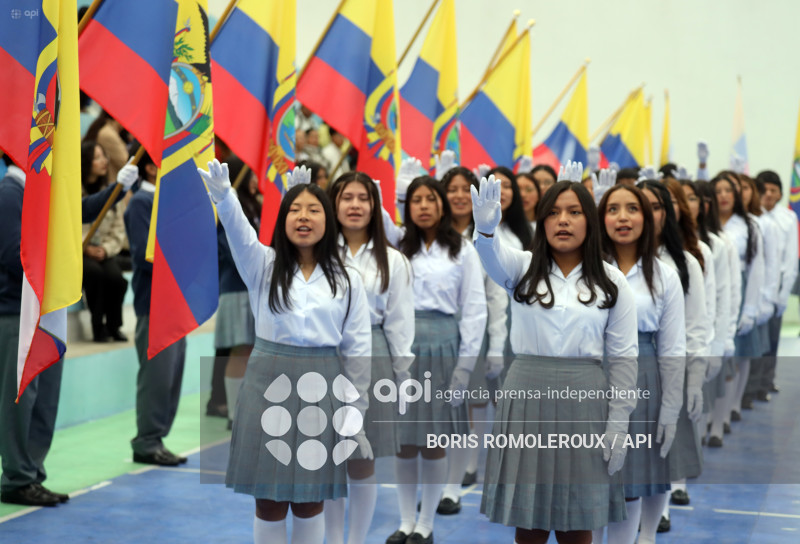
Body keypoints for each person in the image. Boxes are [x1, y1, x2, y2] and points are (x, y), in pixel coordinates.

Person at [197, 160, 372, 544]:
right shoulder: (262, 264)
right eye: (294, 209)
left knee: (310, 500)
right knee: (269, 499)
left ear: (328, 221)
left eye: (313, 209)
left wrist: (355, 411)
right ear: (283, 219)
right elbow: (239, 233)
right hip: (267, 384)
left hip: (323, 386)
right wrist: (225, 198)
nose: (303, 217)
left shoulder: (348, 279)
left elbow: (358, 350)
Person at [473, 162, 639, 544]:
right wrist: (485, 230)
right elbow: (492, 255)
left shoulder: (612, 281)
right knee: (528, 520)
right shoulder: (523, 267)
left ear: (590, 221)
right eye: (553, 212)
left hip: (585, 399)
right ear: (542, 222)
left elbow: (625, 357)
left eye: (574, 212)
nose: (563, 221)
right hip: (526, 395)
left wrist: (618, 423)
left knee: (577, 517)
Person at [0, 155, 137, 507]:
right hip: (20, 311)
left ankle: (31, 472)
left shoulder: (42, 191)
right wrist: (65, 261)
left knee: (44, 399)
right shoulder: (11, 192)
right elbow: (13, 256)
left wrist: (117, 187)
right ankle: (16, 476)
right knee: (21, 400)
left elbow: (82, 209)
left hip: (49, 311)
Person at [385, 175, 487, 544]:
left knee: (433, 439)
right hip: (402, 347)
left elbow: (475, 309)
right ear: (406, 206)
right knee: (402, 440)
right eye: (416, 200)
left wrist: (464, 366)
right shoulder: (398, 245)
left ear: (442, 205)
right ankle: (404, 520)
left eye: (431, 199)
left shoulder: (463, 248)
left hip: (443, 345)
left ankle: (426, 523)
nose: (424, 206)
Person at [324, 171, 414, 544]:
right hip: (324, 357)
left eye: (364, 198)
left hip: (373, 359)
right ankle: (330, 539)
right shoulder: (319, 254)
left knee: (362, 458)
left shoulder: (393, 260)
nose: (356, 205)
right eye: (347, 197)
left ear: (375, 207)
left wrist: (403, 375)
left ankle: (357, 540)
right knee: (325, 460)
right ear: (333, 205)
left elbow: (399, 323)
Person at [595, 183, 686, 544]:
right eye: (612, 209)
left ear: (647, 219)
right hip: (592, 375)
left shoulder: (664, 274)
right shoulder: (588, 268)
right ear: (600, 219)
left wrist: (670, 407)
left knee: (629, 481)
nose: (623, 217)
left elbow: (673, 346)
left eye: (632, 209)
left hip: (644, 376)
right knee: (590, 481)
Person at [439, 166, 508, 507]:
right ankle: (449, 468)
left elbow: (495, 296)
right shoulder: (433, 234)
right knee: (445, 403)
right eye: (449, 188)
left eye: (463, 189)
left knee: (475, 400)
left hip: (475, 329)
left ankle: (470, 462)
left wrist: (496, 344)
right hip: (440, 333)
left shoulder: (488, 233)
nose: (457, 196)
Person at [123, 149, 188, 468]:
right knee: (157, 378)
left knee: (171, 378)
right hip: (155, 303)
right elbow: (145, 256)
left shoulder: (167, 203)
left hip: (176, 304)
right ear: (150, 168)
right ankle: (146, 440)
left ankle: (156, 438)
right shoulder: (142, 203)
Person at [213, 157, 260, 429]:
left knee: (251, 350)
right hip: (236, 288)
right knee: (240, 351)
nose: (256, 181)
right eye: (251, 175)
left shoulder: (253, 206)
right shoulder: (227, 209)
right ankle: (234, 413)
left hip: (252, 288)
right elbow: (232, 250)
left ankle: (246, 408)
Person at [80, 141, 129, 342]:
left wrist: (106, 250)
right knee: (94, 274)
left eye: (104, 157)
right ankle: (97, 326)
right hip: (80, 252)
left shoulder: (111, 192)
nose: (103, 162)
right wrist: (86, 247)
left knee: (116, 279)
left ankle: (113, 326)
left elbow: (118, 228)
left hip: (104, 250)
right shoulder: (74, 189)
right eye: (97, 157)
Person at [755, 170, 798, 394]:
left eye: (773, 190)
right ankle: (749, 385)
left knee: (771, 339)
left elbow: (790, 258)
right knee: (753, 340)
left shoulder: (788, 218)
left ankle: (766, 381)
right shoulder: (752, 217)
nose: (769, 194)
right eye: (765, 189)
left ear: (781, 193)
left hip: (777, 283)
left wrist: (783, 295)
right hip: (755, 283)